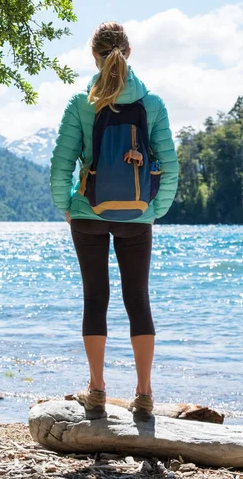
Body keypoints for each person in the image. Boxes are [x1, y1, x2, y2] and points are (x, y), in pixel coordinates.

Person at [50, 22, 178, 415]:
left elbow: (62, 164)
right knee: (138, 299)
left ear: (94, 56)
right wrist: (154, 210)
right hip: (137, 216)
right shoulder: (151, 103)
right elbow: (169, 165)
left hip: (89, 212)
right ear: (129, 52)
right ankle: (143, 394)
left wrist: (67, 208)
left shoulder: (80, 102)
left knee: (95, 299)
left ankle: (98, 389)